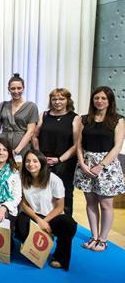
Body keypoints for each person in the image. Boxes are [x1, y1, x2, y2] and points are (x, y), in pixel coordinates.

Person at [74, 86, 125, 252]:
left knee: (105, 204)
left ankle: (103, 239)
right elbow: (79, 144)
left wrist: (101, 166)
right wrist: (82, 162)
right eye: (97, 98)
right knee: (90, 202)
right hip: (86, 163)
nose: (100, 101)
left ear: (109, 101)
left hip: (106, 166)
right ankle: (94, 236)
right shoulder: (85, 119)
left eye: (103, 98)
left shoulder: (118, 120)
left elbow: (117, 147)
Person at [16, 149, 77, 270]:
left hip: (52, 215)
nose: (31, 164)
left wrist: (45, 221)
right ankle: (33, 247)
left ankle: (60, 257)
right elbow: (24, 203)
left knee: (68, 223)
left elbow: (60, 207)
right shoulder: (22, 177)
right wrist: (38, 220)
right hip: (34, 215)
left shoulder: (54, 179)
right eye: (27, 161)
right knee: (20, 225)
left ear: (42, 163)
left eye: (35, 161)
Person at [33, 88, 80, 216]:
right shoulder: (44, 115)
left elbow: (77, 145)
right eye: (54, 99)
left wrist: (59, 159)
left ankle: (65, 223)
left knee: (65, 193)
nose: (57, 102)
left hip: (64, 162)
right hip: (43, 160)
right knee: (42, 191)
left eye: (61, 99)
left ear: (67, 100)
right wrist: (39, 155)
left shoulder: (75, 118)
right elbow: (35, 136)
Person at [0, 74, 39, 156]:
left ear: (23, 88)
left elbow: (30, 132)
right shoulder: (2, 105)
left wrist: (16, 150)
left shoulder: (31, 107)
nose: (16, 91)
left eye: (19, 88)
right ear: (9, 89)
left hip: (22, 146)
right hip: (3, 145)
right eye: (13, 88)